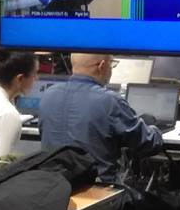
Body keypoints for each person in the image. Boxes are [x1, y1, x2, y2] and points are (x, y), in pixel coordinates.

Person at [38, 53, 163, 183]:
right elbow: (147, 143)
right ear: (102, 66)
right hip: (99, 191)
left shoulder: (48, 95)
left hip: (54, 190)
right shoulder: (110, 101)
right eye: (112, 64)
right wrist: (154, 128)